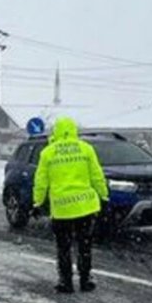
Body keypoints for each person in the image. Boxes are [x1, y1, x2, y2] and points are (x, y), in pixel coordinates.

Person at [32, 117, 108, 293]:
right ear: (74, 130)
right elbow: (97, 175)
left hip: (62, 208)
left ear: (55, 132)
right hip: (85, 206)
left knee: (64, 247)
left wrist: (38, 202)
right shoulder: (86, 149)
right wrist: (104, 195)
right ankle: (85, 279)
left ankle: (66, 282)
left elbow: (41, 181)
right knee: (84, 244)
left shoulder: (48, 153)